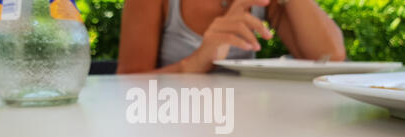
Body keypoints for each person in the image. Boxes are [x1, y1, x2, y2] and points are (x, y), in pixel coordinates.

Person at [117, 0, 346, 74]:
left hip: (244, 127)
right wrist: (194, 63)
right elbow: (126, 85)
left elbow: (330, 56)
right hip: (170, 124)